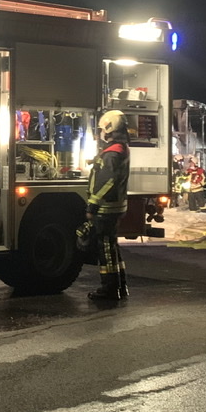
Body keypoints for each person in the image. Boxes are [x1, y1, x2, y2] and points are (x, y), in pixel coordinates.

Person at [85, 110, 131, 301]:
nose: (101, 133)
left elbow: (108, 181)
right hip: (115, 206)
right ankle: (120, 285)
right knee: (112, 247)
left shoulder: (112, 153)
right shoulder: (119, 149)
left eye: (102, 130)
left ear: (109, 128)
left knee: (105, 249)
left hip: (106, 208)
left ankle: (109, 289)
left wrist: (93, 205)